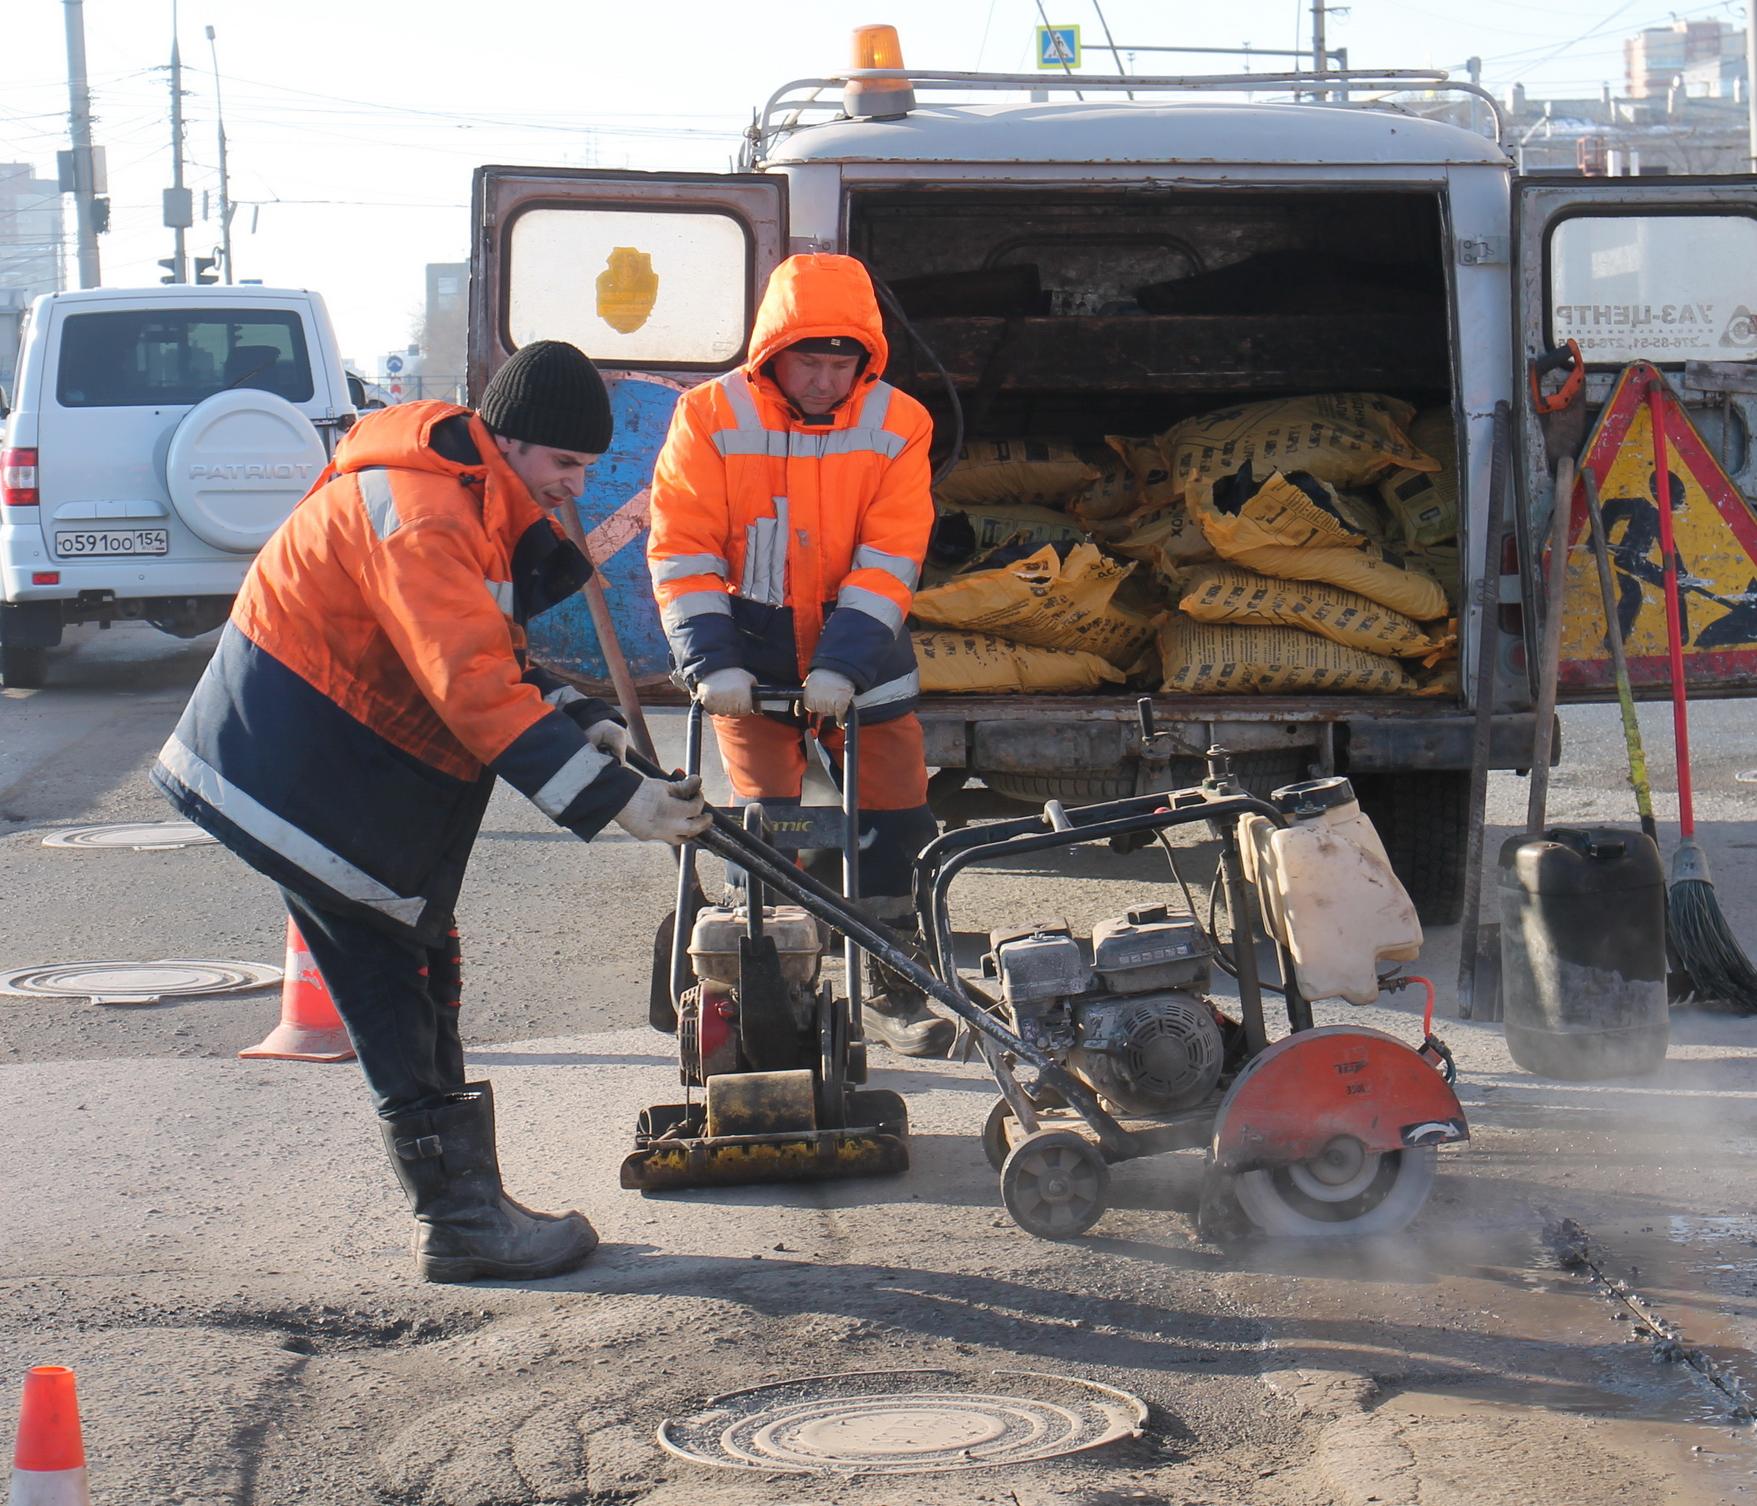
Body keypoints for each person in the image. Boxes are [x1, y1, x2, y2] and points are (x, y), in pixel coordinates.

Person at [152, 340, 709, 1284]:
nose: (573, 489)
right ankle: (459, 1221)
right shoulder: (423, 512)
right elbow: (469, 687)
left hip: (332, 759)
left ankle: (470, 1203)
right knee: (387, 977)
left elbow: (489, 654)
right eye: (565, 466)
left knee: (419, 954)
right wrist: (618, 802)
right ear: (513, 441)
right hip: (302, 770)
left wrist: (585, 724)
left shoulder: (468, 495)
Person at [646, 253, 948, 1057]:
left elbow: (890, 556)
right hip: (748, 652)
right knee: (770, 824)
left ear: (865, 359)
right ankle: (774, 977)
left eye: (838, 362)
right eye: (806, 360)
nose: (821, 379)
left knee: (894, 817)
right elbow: (682, 547)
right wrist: (711, 664)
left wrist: (844, 665)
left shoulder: (898, 421)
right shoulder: (709, 416)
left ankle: (891, 976)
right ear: (771, 351)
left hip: (865, 653)